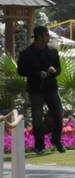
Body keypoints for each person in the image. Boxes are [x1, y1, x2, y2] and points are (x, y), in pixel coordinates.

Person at [16, 26, 65, 155]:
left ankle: (56, 141)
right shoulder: (26, 53)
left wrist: (54, 71)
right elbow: (21, 71)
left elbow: (58, 69)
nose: (48, 37)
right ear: (39, 36)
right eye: (46, 35)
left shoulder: (53, 51)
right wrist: (37, 73)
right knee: (37, 119)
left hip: (51, 88)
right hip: (35, 89)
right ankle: (39, 145)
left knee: (58, 114)